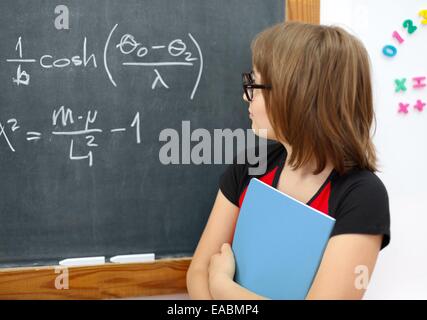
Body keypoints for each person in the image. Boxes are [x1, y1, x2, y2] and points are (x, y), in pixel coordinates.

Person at [186, 21, 391, 300]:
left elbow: (212, 276)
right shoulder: (250, 165)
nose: (245, 95)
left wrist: (223, 286)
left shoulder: (362, 196)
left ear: (296, 95)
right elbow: (198, 272)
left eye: (254, 84)